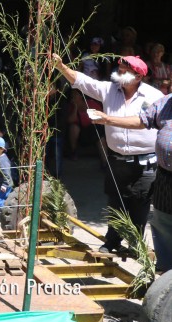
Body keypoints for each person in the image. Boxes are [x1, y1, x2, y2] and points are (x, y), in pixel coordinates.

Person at [52, 53, 163, 253]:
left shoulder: (154, 97)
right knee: (115, 200)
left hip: (145, 161)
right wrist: (61, 67)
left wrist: (107, 119)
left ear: (138, 77)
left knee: (140, 203)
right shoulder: (110, 89)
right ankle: (112, 241)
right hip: (117, 159)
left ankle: (136, 244)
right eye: (119, 69)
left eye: (125, 71)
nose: (119, 73)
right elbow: (83, 81)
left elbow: (151, 123)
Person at [88, 93, 172, 273]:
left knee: (141, 207)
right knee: (162, 222)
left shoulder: (152, 92)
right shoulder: (165, 102)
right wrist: (107, 119)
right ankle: (166, 276)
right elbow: (142, 120)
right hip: (165, 176)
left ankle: (138, 246)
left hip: (146, 164)